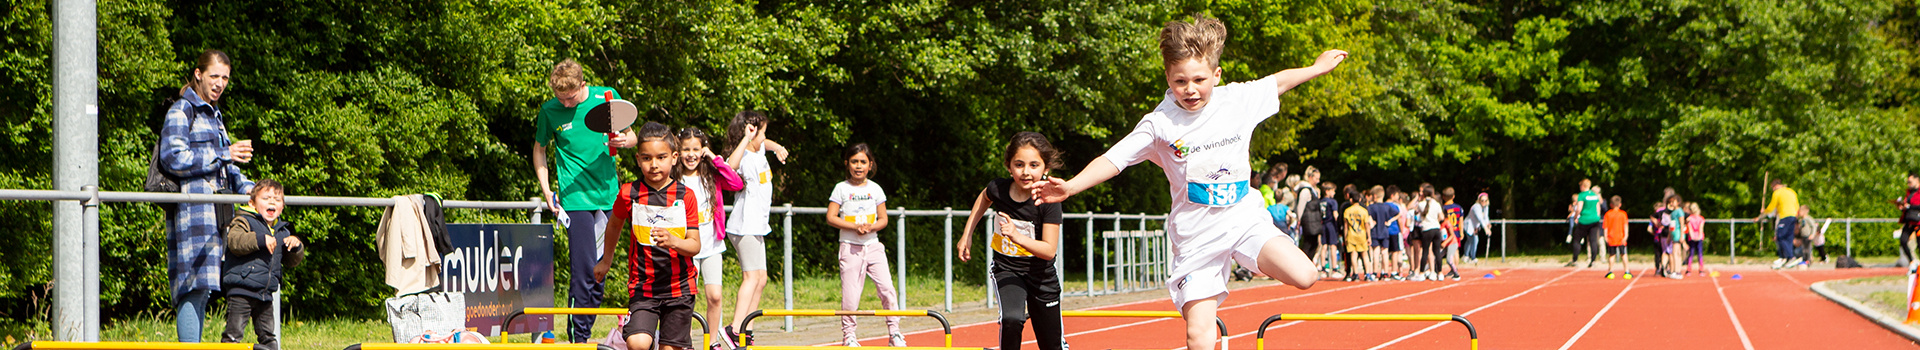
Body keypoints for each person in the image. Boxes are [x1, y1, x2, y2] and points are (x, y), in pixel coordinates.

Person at [1025, 14, 1344, 350]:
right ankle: (1219, 270)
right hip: (1197, 237)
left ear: (1216, 75)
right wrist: (1072, 186)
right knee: (1198, 336)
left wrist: (1317, 68)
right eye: (1180, 82)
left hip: (1242, 220)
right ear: (1168, 77)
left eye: (1199, 80)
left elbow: (1277, 82)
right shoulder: (1160, 124)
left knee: (1306, 276)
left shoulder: (1236, 100)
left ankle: (1244, 256)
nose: (1190, 90)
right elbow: (1114, 159)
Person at [533, 58, 641, 343]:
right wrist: (547, 191)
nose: (566, 104)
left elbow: (631, 136)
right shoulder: (549, 110)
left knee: (599, 271)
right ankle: (577, 339)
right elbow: (540, 150)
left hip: (607, 196)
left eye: (571, 98)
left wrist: (624, 142)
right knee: (582, 272)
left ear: (583, 85)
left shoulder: (605, 98)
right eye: (561, 98)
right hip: (574, 198)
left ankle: (586, 332)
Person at [159, 49, 258, 342]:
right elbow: (173, 157)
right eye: (214, 76)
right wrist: (222, 153)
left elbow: (228, 167)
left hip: (217, 214)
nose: (220, 83)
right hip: (194, 213)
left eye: (225, 78)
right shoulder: (181, 110)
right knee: (193, 287)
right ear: (198, 74)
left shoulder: (215, 115)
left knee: (205, 290)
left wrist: (252, 191)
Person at [596, 122, 703, 350]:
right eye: (647, 158)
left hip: (679, 287)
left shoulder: (686, 196)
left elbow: (695, 245)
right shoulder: (629, 193)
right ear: (638, 159)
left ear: (674, 158)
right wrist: (606, 260)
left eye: (661, 157)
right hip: (643, 286)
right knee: (637, 343)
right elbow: (614, 225)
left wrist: (674, 241)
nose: (654, 165)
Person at [958, 132, 1069, 350]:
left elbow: (1048, 251)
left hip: (1041, 276)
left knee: (1051, 345)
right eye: (1019, 165)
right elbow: (984, 197)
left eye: (1034, 165)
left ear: (1045, 169)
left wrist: (1017, 236)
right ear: (1009, 166)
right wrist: (967, 234)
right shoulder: (999, 189)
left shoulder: (1049, 200)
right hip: (1007, 270)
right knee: (1012, 319)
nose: (1026, 172)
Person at [825, 143, 904, 346]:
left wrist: (871, 227)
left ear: (870, 165)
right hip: (850, 247)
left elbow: (883, 219)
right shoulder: (841, 188)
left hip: (873, 246)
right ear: (847, 164)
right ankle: (849, 335)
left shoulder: (875, 189)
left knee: (887, 289)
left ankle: (894, 332)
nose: (858, 166)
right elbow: (831, 217)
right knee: (851, 294)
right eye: (854, 162)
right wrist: (853, 226)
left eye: (862, 162)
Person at [675, 128, 745, 349]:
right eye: (686, 149)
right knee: (686, 299)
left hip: (712, 244)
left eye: (696, 149)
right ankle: (683, 341)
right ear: (678, 151)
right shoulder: (674, 178)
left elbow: (736, 183)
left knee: (714, 296)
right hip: (686, 246)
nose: (691, 154)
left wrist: (714, 158)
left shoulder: (710, 176)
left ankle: (712, 341)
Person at [722, 111, 788, 345]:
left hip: (758, 225)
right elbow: (729, 166)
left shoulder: (758, 150)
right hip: (744, 225)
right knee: (751, 277)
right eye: (762, 133)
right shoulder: (744, 157)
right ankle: (733, 328)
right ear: (750, 134)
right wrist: (746, 139)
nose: (764, 137)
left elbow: (765, 143)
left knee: (761, 278)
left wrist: (776, 146)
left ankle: (746, 329)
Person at [219, 180, 303, 349]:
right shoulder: (243, 220)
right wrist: (259, 239)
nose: (272, 202)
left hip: (265, 294)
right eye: (266, 198)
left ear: (282, 207)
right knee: (233, 334)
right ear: (252, 203)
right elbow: (234, 241)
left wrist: (296, 247)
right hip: (242, 289)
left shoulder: (283, 231)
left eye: (277, 200)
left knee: (268, 337)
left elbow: (291, 262)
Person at [1754, 179, 1801, 269]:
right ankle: (1785, 258)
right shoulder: (1791, 191)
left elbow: (1772, 206)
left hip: (1785, 216)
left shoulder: (1777, 193)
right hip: (1793, 216)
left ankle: (1790, 257)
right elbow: (1797, 205)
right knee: (1788, 237)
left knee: (1780, 236)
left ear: (1775, 186)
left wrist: (1761, 215)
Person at [1410, 184, 1444, 281]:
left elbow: (1411, 208)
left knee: (1425, 251)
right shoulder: (1436, 204)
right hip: (1436, 229)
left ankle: (1421, 273)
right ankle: (1440, 273)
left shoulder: (1421, 204)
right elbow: (1441, 217)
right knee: (1437, 252)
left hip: (1426, 229)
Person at [1342, 187, 1374, 282]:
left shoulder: (1347, 211)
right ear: (1360, 199)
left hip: (1352, 235)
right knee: (1364, 255)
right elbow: (1367, 225)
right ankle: (1367, 273)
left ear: (1350, 199)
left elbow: (1346, 226)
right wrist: (1369, 237)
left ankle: (1355, 274)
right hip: (1362, 235)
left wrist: (1345, 237)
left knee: (1353, 255)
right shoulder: (1364, 211)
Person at [1365, 186, 1397, 281]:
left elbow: (1368, 217)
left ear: (1375, 196)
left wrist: (1371, 223)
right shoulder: (1387, 207)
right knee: (1385, 253)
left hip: (1375, 232)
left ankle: (1375, 272)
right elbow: (1398, 213)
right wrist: (1390, 221)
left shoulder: (1370, 207)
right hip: (1384, 231)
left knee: (1376, 252)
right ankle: (1385, 272)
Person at [1569, 180, 1603, 268]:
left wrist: (1576, 217)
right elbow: (1598, 208)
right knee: (1593, 240)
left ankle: (1575, 260)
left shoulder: (1582, 195)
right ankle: (1593, 261)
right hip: (1595, 220)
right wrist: (1597, 217)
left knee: (1577, 239)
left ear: (1583, 186)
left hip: (1584, 220)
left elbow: (1579, 208)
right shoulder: (1595, 195)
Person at [1601, 196, 1630, 279]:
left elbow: (1605, 227)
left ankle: (1610, 271)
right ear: (1620, 204)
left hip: (1611, 237)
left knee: (1611, 255)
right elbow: (1625, 226)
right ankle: (1627, 271)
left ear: (1611, 204)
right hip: (1621, 237)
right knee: (1624, 254)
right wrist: (1626, 236)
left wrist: (1606, 236)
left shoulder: (1608, 214)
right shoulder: (1623, 214)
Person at [1463, 193, 1492, 262]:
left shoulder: (1485, 207)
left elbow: (1486, 217)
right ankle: (1470, 257)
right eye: (1482, 200)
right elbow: (1480, 218)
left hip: (1475, 226)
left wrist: (1488, 223)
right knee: (1472, 240)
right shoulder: (1476, 207)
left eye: (1485, 200)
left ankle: (1468, 256)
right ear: (1479, 200)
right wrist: (1486, 229)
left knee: (1473, 241)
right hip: (1469, 225)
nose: (1484, 202)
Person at [1684, 202, 1710, 276]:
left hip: (1693, 237)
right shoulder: (1700, 218)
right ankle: (1701, 269)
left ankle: (1689, 270)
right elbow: (1700, 228)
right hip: (1696, 237)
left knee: (1692, 253)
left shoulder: (1690, 218)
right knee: (1699, 253)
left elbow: (1691, 228)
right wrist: (1698, 236)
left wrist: (1693, 236)